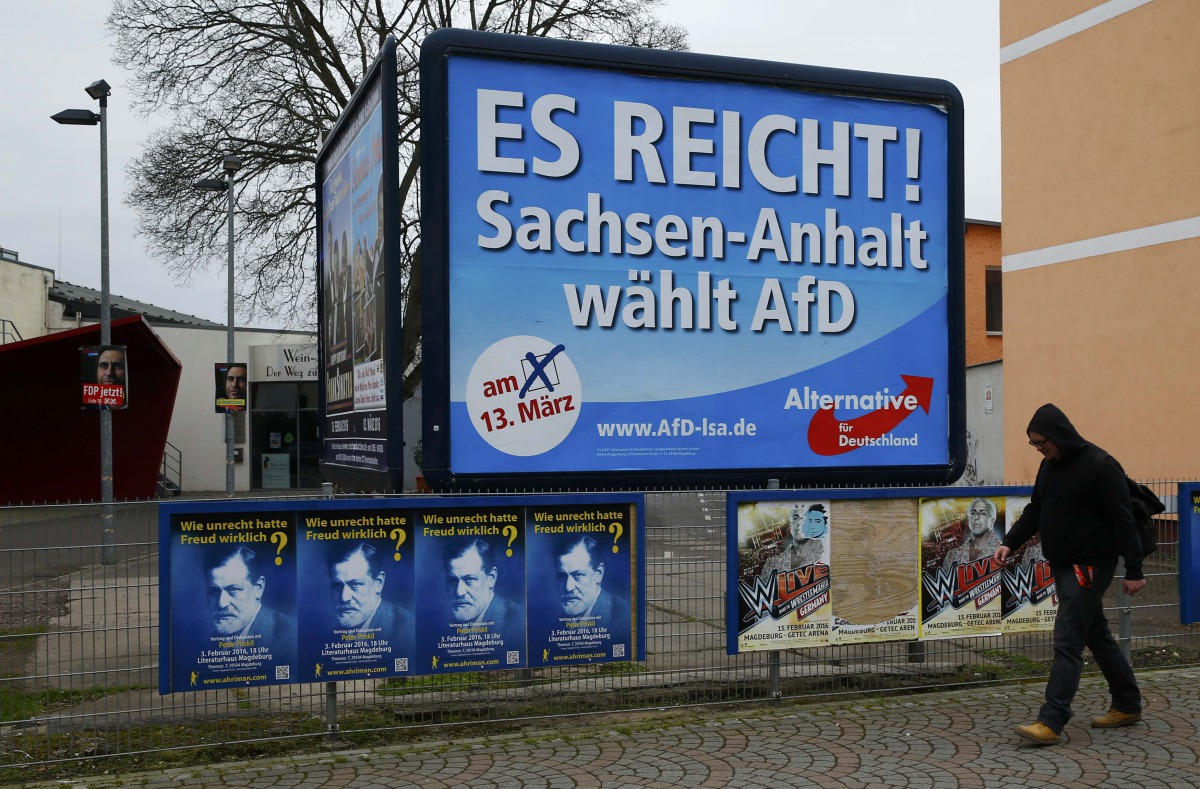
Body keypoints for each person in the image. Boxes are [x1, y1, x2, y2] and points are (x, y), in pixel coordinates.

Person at [993, 403, 1145, 745]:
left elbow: (1124, 520)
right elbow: (1036, 509)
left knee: (1067, 639)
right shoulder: (1049, 466)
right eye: (1033, 444)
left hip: (1089, 567)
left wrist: (1134, 568)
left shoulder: (1100, 465)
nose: (1038, 449)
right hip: (1064, 563)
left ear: (1059, 435)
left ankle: (1051, 720)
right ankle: (1128, 703)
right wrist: (1010, 542)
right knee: (1096, 635)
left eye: (1041, 442)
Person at [204, 545, 295, 646]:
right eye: (214, 591)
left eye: (233, 589)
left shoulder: (289, 635)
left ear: (258, 588)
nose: (221, 603)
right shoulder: (209, 644)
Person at [328, 542, 412, 651]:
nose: (344, 597)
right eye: (337, 586)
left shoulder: (407, 630)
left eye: (355, 585)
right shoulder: (331, 637)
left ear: (378, 583)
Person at [554, 535, 630, 635]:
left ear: (598, 573)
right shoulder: (558, 622)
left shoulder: (623, 616)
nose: (568, 587)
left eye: (578, 575)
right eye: (562, 576)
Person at [444, 538, 518, 631]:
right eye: (453, 580)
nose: (459, 592)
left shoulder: (517, 624)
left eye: (469, 579)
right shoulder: (448, 628)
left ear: (491, 578)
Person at [759, 503, 828, 581]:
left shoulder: (826, 551)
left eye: (804, 518)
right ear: (790, 525)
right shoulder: (772, 564)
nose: (799, 522)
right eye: (795, 518)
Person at [942, 498, 1001, 568]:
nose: (976, 517)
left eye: (982, 513)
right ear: (969, 520)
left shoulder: (1002, 551)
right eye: (973, 513)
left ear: (992, 520)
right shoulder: (952, 555)